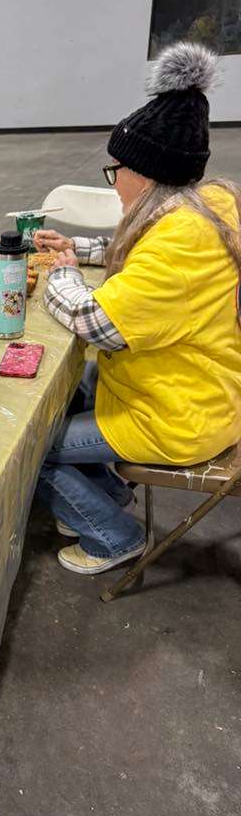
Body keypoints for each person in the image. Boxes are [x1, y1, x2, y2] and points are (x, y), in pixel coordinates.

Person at [34, 41, 241, 575]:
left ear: (144, 176)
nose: (114, 180)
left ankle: (115, 536)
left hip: (175, 417)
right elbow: (135, 254)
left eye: (116, 170)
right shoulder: (202, 208)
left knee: (33, 448)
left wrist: (61, 274)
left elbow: (93, 322)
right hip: (194, 388)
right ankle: (106, 492)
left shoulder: (179, 245)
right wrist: (76, 250)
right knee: (67, 392)